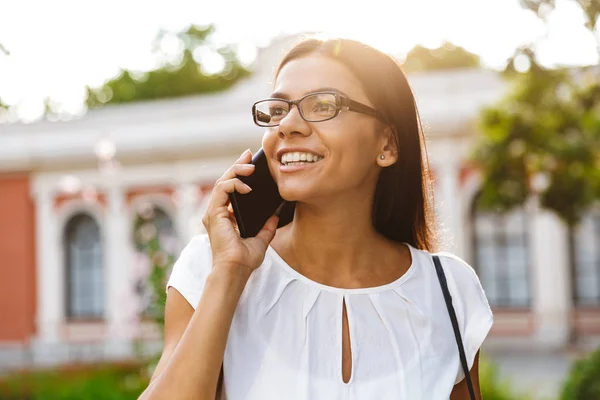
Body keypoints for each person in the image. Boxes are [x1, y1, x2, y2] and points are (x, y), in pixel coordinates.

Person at [138, 37, 493, 400]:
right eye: (278, 109)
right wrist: (229, 272)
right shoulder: (210, 267)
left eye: (323, 104)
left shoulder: (450, 290)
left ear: (387, 145)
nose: (287, 126)